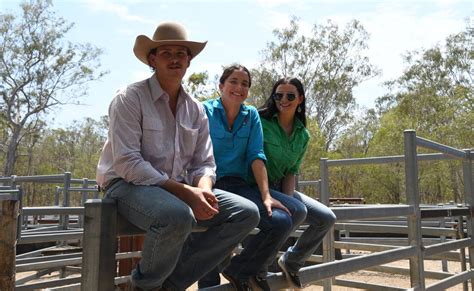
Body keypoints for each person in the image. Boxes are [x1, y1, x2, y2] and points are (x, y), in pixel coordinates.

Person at [96, 23, 260, 291]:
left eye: (181, 53)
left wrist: (204, 190)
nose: (174, 58)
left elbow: (204, 162)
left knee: (246, 213)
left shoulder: (195, 109)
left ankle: (171, 285)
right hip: (126, 185)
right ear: (152, 59)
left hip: (176, 189)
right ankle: (145, 286)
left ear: (189, 60)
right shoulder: (129, 98)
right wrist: (186, 193)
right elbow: (127, 163)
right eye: (166, 52)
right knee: (177, 216)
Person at [199, 65, 307, 290]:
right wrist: (199, 189)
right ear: (221, 86)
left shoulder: (251, 116)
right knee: (210, 234)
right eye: (233, 82)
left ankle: (242, 269)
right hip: (208, 182)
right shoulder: (203, 111)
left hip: (239, 185)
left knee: (282, 219)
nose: (239, 88)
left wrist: (266, 195)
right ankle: (210, 285)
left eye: (245, 84)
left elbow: (256, 155)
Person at [258, 77, 337, 288]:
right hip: (259, 186)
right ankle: (259, 269)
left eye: (290, 96)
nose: (284, 100)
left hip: (282, 187)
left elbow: (291, 171)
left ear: (300, 99)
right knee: (285, 218)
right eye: (278, 95)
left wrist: (288, 200)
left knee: (326, 218)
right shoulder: (261, 122)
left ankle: (291, 261)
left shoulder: (303, 134)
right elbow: (254, 159)